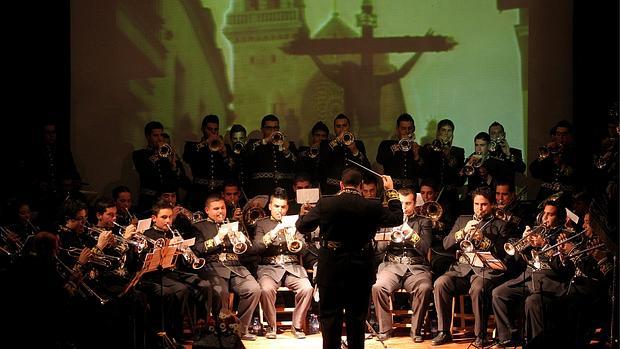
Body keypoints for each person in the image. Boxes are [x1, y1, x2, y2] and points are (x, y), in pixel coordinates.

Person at [296, 168, 403, 349]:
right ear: (361, 186)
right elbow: (397, 218)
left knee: (330, 318)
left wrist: (302, 213)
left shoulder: (325, 203)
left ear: (341, 185)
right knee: (357, 317)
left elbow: (302, 227)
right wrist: (391, 191)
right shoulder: (372, 205)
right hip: (360, 266)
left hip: (331, 266)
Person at [490, 199, 573, 348]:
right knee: (498, 293)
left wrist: (545, 245)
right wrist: (524, 244)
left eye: (550, 215)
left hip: (549, 282)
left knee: (532, 302)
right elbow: (519, 260)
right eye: (544, 214)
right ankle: (509, 337)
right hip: (529, 278)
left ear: (559, 217)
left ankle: (536, 343)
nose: (545, 218)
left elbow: (563, 269)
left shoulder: (565, 235)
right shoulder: (537, 230)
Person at [432, 188, 509, 346]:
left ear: (492, 205)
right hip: (462, 270)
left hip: (485, 272)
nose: (480, 208)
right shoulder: (462, 220)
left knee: (478, 289)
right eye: (476, 204)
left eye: (484, 205)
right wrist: (462, 232)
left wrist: (484, 240)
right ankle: (444, 332)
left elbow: (502, 254)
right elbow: (446, 244)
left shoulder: (500, 225)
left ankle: (480, 335)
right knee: (440, 283)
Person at [191, 194, 261, 341]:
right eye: (216, 209)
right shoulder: (199, 226)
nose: (220, 211)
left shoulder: (233, 224)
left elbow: (249, 250)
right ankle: (222, 330)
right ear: (207, 210)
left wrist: (244, 240)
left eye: (222, 208)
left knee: (254, 289)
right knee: (220, 292)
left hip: (235, 265)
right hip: (213, 266)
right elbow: (197, 250)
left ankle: (239, 328)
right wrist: (217, 239)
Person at [371, 187, 433, 343]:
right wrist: (386, 239)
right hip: (392, 266)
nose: (404, 207)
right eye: (401, 203)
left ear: (415, 204)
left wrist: (411, 234)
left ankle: (416, 330)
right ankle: (385, 329)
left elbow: (425, 248)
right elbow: (379, 249)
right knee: (378, 287)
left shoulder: (423, 221)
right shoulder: (388, 220)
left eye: (408, 203)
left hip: (416, 268)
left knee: (424, 288)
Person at [253, 188, 313, 339]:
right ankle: (271, 326)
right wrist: (274, 232)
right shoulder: (262, 223)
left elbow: (304, 248)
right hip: (269, 267)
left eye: (283, 207)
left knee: (307, 288)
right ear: (270, 206)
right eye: (276, 206)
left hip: (292, 267)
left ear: (287, 207)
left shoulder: (294, 221)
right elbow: (257, 247)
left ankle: (297, 326)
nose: (280, 210)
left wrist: (296, 237)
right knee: (266, 289)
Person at [183, 114, 232, 211]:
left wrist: (225, 154)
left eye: (215, 130)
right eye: (210, 129)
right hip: (200, 192)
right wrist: (205, 143)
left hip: (219, 191)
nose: (213, 132)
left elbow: (231, 169)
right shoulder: (193, 146)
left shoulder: (224, 147)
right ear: (203, 129)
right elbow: (187, 158)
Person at [132, 121, 183, 212]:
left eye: (161, 135)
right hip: (149, 200)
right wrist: (158, 155)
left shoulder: (167, 153)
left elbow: (176, 180)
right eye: (155, 136)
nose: (159, 139)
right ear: (147, 136)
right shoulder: (139, 154)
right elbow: (144, 170)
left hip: (167, 201)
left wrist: (173, 165)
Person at [245, 114, 297, 197]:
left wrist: (286, 151)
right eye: (269, 128)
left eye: (276, 128)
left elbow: (296, 165)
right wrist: (265, 141)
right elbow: (247, 154)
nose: (273, 131)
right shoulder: (255, 145)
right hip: (262, 191)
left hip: (285, 191)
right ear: (262, 130)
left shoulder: (288, 144)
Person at [319, 114, 371, 195]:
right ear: (334, 129)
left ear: (349, 127)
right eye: (338, 126)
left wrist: (354, 150)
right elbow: (322, 159)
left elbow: (367, 167)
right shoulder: (326, 144)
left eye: (344, 126)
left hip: (353, 190)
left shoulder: (358, 144)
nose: (341, 129)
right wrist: (337, 141)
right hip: (332, 189)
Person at [420, 119, 465, 213]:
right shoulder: (429, 149)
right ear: (438, 133)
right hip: (433, 195)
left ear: (452, 134)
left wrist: (449, 157)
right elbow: (424, 172)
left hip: (450, 197)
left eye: (449, 131)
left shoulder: (458, 152)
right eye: (443, 130)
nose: (446, 134)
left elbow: (460, 181)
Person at [529, 120, 579, 200]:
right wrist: (542, 157)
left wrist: (561, 163)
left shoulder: (576, 154)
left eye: (564, 134)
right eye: (558, 134)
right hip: (545, 197)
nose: (561, 138)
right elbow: (535, 173)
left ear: (570, 137)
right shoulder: (550, 151)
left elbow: (577, 177)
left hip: (565, 198)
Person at [376, 113, 424, 189]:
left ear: (414, 129)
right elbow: (380, 160)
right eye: (403, 128)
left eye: (409, 128)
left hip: (412, 189)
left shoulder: (418, 148)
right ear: (397, 129)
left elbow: (422, 174)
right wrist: (393, 150)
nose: (407, 132)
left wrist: (416, 156)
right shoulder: (386, 144)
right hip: (393, 188)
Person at [229, 124, 249, 190]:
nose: (238, 141)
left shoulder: (250, 154)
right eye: (235, 139)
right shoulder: (227, 155)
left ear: (245, 139)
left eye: (241, 138)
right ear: (231, 140)